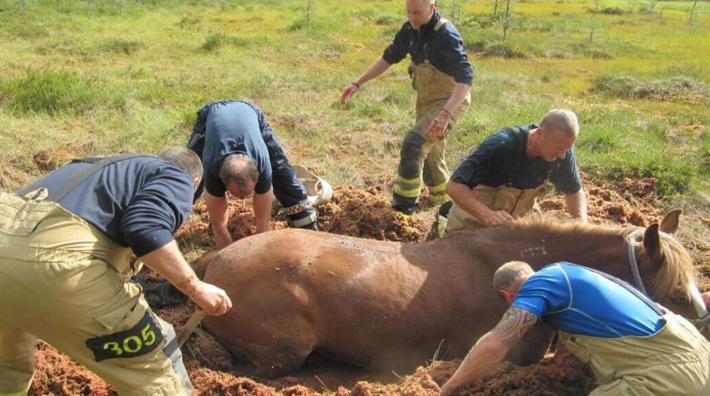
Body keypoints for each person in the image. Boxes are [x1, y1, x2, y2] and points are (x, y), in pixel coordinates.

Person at [0, 148, 232, 396]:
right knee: (157, 372)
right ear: (195, 182)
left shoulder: (89, 165)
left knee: (7, 365)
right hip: (59, 267)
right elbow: (145, 227)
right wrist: (195, 288)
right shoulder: (176, 175)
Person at [439, 261, 710, 395]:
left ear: (508, 296)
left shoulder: (540, 285)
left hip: (671, 376)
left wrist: (448, 388)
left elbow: (496, 344)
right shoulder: (572, 276)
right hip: (698, 354)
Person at [341, 0, 474, 215]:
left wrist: (446, 114)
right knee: (431, 153)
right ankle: (442, 199)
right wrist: (358, 83)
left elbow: (466, 78)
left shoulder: (446, 36)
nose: (412, 18)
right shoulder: (410, 30)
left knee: (414, 144)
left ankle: (403, 208)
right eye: (408, 12)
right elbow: (389, 57)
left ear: (431, 8)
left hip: (450, 101)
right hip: (426, 101)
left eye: (417, 13)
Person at [187, 99, 318, 249]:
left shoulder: (262, 160)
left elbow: (264, 208)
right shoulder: (212, 165)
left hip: (250, 111)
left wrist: (262, 236)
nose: (242, 199)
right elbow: (217, 214)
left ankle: (305, 222)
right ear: (223, 180)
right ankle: (166, 219)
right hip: (211, 114)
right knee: (188, 175)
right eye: (238, 195)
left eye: (245, 194)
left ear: (257, 176)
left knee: (282, 171)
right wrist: (223, 239)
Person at [444, 108, 587, 235]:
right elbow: (454, 186)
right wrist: (488, 215)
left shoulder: (562, 152)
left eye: (567, 149)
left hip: (517, 220)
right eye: (559, 148)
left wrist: (581, 225)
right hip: (475, 219)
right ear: (539, 133)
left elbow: (573, 191)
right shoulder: (502, 145)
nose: (562, 155)